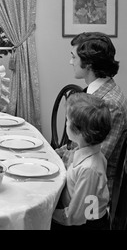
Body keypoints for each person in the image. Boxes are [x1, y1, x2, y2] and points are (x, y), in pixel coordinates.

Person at [56, 32, 127, 195]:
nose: (70, 62)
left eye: (73, 57)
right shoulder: (95, 91)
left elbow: (92, 158)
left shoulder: (109, 104)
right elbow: (75, 147)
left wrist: (52, 160)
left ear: (88, 64)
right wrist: (52, 154)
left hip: (91, 193)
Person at [52, 92, 111, 230]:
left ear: (80, 132)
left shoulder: (89, 169)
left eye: (67, 120)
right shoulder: (84, 150)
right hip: (77, 215)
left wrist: (48, 213)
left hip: (86, 224)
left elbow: (76, 216)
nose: (65, 123)